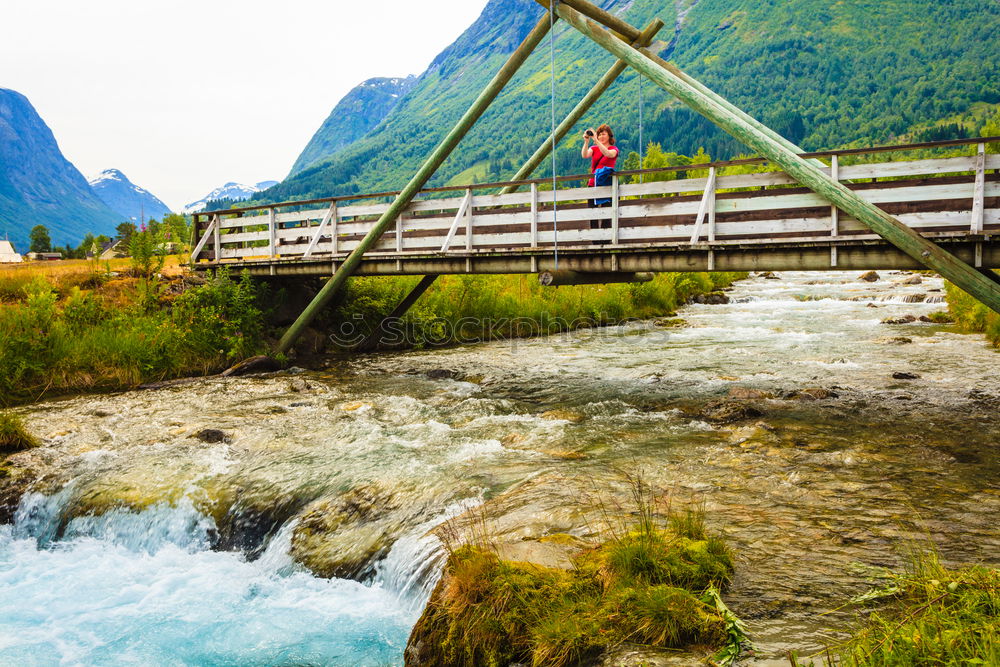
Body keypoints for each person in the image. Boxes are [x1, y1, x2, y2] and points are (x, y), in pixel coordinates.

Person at [581, 124, 618, 230]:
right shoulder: (594, 148)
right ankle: (595, 240)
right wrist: (587, 141)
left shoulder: (614, 149)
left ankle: (605, 239)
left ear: (609, 136)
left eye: (604, 134)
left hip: (607, 183)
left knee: (607, 213)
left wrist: (596, 140)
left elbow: (608, 154)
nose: (601, 136)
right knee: (593, 213)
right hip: (593, 183)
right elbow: (584, 155)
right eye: (599, 134)